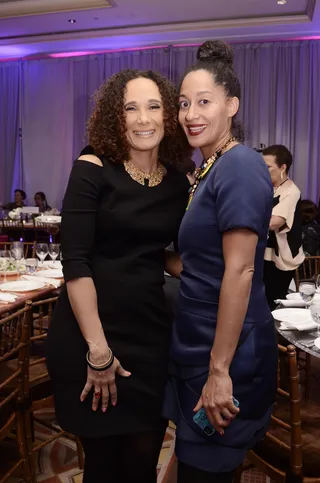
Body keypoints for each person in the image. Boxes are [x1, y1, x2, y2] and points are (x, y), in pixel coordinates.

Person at [45, 69, 191, 483]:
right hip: (90, 334)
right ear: (116, 116)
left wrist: (218, 275)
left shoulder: (177, 181)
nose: (143, 119)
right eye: (131, 108)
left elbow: (159, 252)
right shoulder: (92, 166)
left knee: (143, 460)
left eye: (153, 106)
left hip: (149, 335)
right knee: (105, 465)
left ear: (168, 115)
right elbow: (75, 263)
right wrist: (98, 351)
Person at [163, 40, 278, 483]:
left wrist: (219, 370)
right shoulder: (208, 169)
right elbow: (202, 263)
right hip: (198, 342)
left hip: (225, 352)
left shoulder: (240, 165)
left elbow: (241, 269)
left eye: (204, 102)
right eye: (184, 103)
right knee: (194, 465)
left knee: (208, 470)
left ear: (231, 105)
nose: (191, 113)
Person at [262, 145, 305, 307]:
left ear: (283, 167)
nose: (263, 170)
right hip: (265, 253)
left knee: (271, 301)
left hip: (283, 257)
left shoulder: (291, 191)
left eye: (268, 167)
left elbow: (274, 222)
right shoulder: (269, 187)